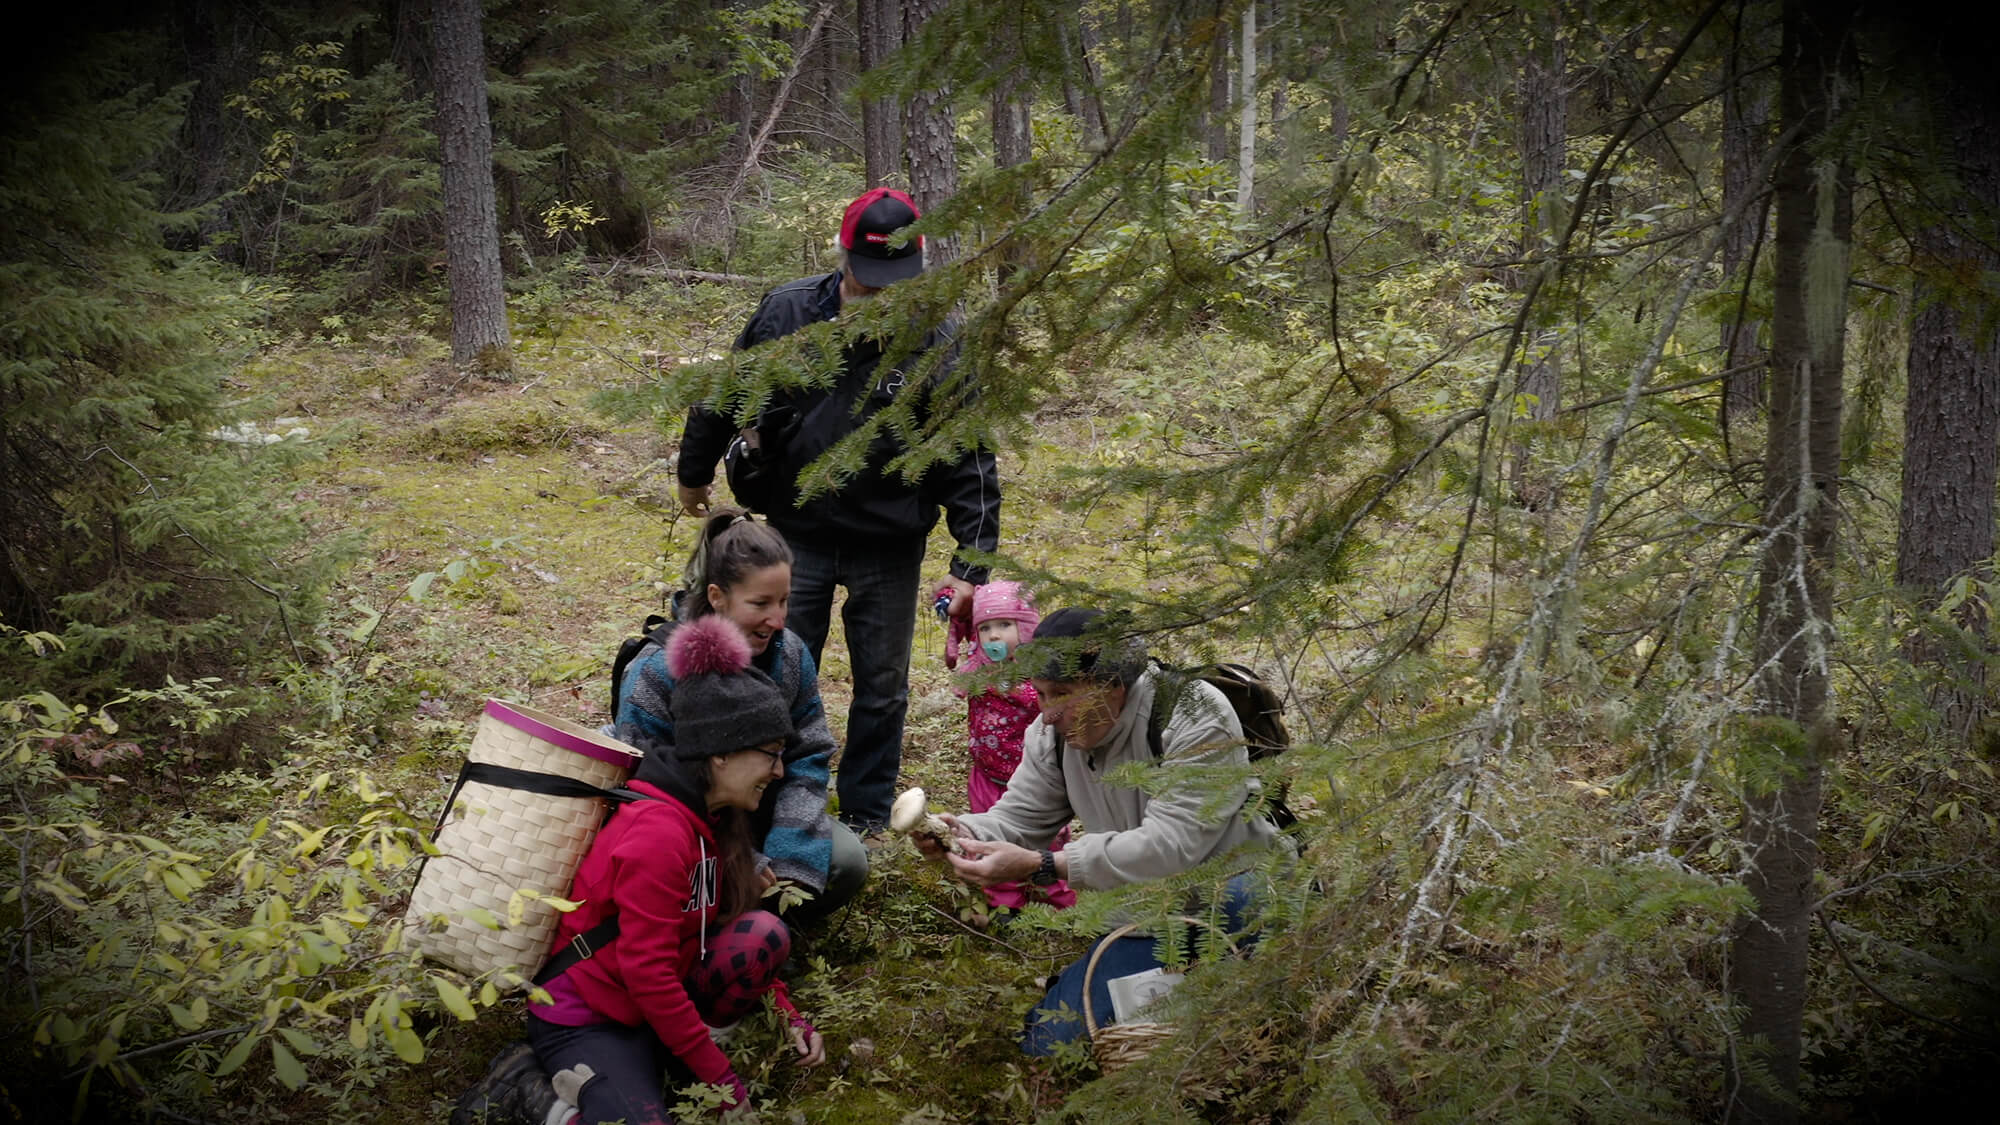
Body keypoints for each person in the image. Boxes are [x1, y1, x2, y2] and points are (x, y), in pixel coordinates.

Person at [675, 187, 1002, 832]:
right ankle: (771, 797)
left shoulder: (941, 335)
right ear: (843, 253)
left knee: (882, 687)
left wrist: (972, 561)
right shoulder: (790, 311)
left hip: (891, 537)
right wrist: (694, 472)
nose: (883, 292)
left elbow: (969, 453)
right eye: (871, 276)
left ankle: (865, 813)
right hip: (797, 532)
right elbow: (724, 393)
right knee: (776, 667)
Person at [453, 613, 828, 1125]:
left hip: (646, 1005)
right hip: (588, 1017)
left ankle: (665, 1059)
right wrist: (721, 1080)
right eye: (770, 755)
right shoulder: (659, 833)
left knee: (762, 932)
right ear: (721, 754)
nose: (780, 771)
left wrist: (788, 1017)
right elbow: (648, 975)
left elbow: (717, 926)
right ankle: (530, 1093)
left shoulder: (714, 818)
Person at [915, 608, 1289, 1055]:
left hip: (1229, 892)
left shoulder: (1193, 713)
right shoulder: (1053, 734)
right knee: (1051, 1043)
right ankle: (1184, 988)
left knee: (1243, 1007)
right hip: (1145, 911)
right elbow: (1021, 818)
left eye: (1062, 694)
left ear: (1115, 686)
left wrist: (1047, 867)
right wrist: (965, 831)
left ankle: (1248, 978)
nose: (1047, 714)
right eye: (1040, 693)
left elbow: (1173, 845)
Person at [615, 508, 866, 926]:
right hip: (676, 827)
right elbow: (641, 778)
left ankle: (760, 926)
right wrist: (733, 857)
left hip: (760, 808)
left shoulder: (790, 656)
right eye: (761, 603)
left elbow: (809, 753)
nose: (778, 619)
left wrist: (791, 851)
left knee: (846, 861)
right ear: (717, 596)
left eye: (785, 601)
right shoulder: (656, 670)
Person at [947, 580, 1074, 918]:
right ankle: (1004, 899)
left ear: (1027, 628)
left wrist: (1013, 687)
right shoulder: (980, 666)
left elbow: (1048, 709)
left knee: (1049, 836)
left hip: (1032, 777)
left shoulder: (1039, 676)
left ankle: (1055, 887)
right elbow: (961, 683)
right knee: (991, 833)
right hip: (988, 772)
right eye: (985, 628)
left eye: (1005, 625)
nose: (993, 636)